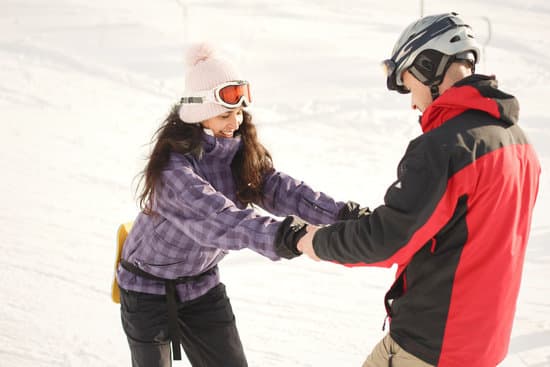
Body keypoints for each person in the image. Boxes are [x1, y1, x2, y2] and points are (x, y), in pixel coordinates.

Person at [295, 12, 541, 367]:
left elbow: (386, 242)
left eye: (410, 86)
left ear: (429, 66)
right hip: (484, 344)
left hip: (430, 347)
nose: (412, 102)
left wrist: (315, 242)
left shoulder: (446, 146)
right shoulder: (518, 142)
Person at [116, 42, 359, 367]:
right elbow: (223, 221)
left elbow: (282, 189)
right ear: (200, 114)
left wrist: (343, 215)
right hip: (146, 290)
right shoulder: (173, 171)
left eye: (239, 113)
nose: (235, 122)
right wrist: (289, 235)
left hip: (201, 285)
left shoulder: (235, 151)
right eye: (225, 114)